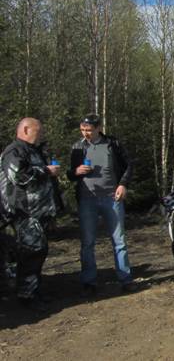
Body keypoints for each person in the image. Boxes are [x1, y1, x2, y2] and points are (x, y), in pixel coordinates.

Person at [67, 114, 134, 296]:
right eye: (82, 130)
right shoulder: (78, 147)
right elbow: (70, 175)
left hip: (112, 198)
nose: (85, 133)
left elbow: (128, 165)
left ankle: (125, 279)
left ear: (98, 128)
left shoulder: (113, 144)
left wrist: (123, 184)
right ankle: (89, 282)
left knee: (119, 241)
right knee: (87, 242)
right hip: (87, 199)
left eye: (89, 130)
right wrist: (76, 171)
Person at [0, 118, 61, 310]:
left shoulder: (35, 150)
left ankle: (34, 289)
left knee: (38, 251)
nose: (41, 134)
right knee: (30, 253)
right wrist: (46, 171)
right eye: (38, 131)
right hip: (24, 212)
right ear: (26, 130)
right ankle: (26, 295)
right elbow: (18, 175)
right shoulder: (14, 151)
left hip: (39, 212)